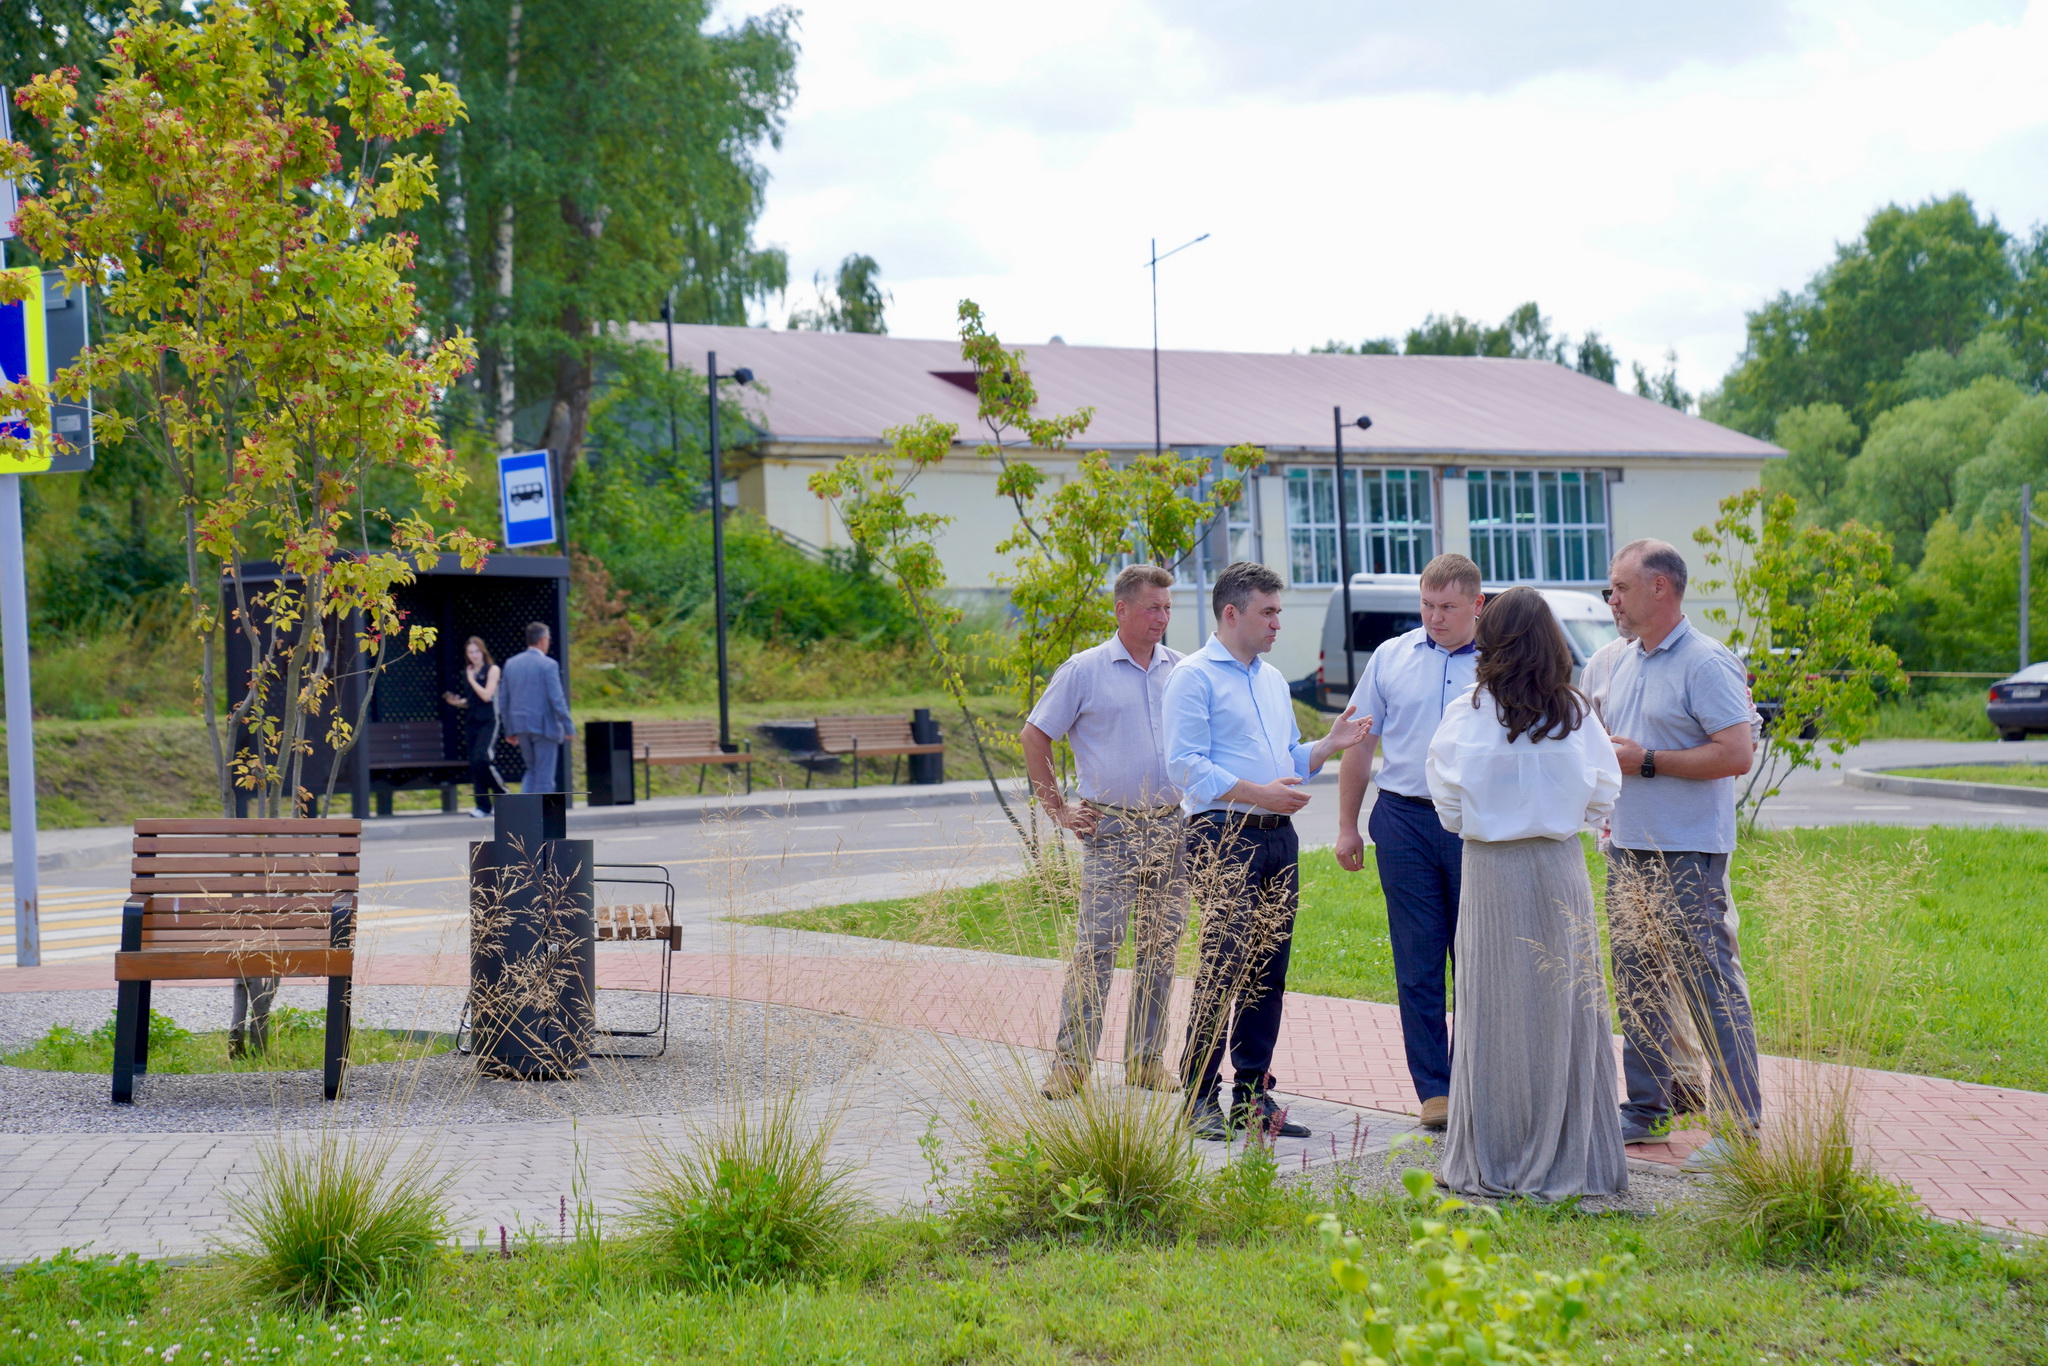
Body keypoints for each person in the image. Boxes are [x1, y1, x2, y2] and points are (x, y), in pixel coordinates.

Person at [1426, 586, 1627, 1200]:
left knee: (1494, 1010)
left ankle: (1497, 1152)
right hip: (1559, 867)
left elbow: (1448, 804)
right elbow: (1604, 792)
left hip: (1491, 869)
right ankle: (1572, 1152)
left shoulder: (1467, 712)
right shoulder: (1575, 712)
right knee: (1563, 1011)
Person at [1164, 560, 1370, 1140]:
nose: (1279, 622)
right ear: (1232, 613)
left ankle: (1252, 1095)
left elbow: (1287, 761)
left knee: (1268, 969)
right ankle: (1197, 1096)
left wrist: (1328, 744)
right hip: (1222, 836)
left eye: (1279, 611)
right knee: (1223, 966)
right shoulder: (1195, 677)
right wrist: (1260, 794)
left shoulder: (1272, 679)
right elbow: (1184, 765)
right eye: (1269, 612)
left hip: (1278, 837)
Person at [1596, 539, 1761, 1168]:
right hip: (1629, 848)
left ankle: (1741, 1128)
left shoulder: (1706, 662)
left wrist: (1648, 762)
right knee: (1638, 985)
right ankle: (1644, 1111)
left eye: (1621, 588)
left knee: (1710, 989)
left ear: (1661, 588)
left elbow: (1736, 754)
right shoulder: (1625, 660)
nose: (1612, 599)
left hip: (1689, 853)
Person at [1332, 552, 1485, 1131]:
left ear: (1477, 604)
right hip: (1403, 820)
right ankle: (1435, 1090)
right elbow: (1359, 745)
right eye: (1427, 605)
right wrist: (1347, 825)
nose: (1435, 617)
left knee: (1474, 957)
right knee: (1418, 959)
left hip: (1474, 826)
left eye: (1448, 607)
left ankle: (1475, 1077)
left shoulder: (1500, 661)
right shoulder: (1391, 656)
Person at [1022, 564, 1187, 1098]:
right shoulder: (1084, 670)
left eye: (1167, 607)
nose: (1162, 617)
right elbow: (1035, 735)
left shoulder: (1181, 670)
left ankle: (1145, 1061)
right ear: (1121, 610)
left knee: (1160, 949)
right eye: (1151, 607)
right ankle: (1070, 1065)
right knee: (1096, 949)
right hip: (1111, 827)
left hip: (1170, 827)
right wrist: (1059, 811)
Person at [498, 621, 572, 795]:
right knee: (545, 777)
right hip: (544, 727)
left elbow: (504, 700)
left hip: (521, 727)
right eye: (548, 639)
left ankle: (526, 818)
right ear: (543, 639)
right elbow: (557, 699)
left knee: (532, 771)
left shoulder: (511, 663)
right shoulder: (548, 665)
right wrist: (568, 726)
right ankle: (544, 819)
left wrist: (509, 729)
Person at [443, 636, 507, 818]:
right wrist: (456, 702)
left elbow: (487, 695)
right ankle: (483, 805)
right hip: (472, 720)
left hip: (489, 720)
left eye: (477, 651)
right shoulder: (468, 671)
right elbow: (472, 700)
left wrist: (472, 680)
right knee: (474, 763)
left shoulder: (492, 669)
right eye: (470, 652)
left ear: (483, 651)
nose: (474, 655)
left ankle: (502, 792)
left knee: (483, 758)